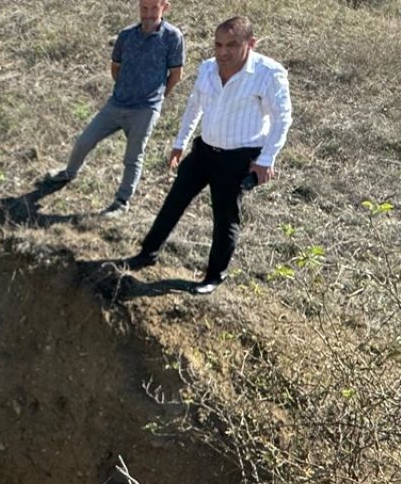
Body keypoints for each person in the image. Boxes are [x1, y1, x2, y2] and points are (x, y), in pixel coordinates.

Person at [122, 16, 292, 295]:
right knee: (174, 200)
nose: (223, 52)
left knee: (225, 219)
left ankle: (214, 276)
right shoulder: (207, 69)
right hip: (204, 150)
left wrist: (265, 160)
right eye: (218, 44)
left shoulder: (268, 74)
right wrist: (180, 143)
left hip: (237, 158)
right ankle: (148, 252)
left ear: (251, 43)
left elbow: (282, 119)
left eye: (232, 45)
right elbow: (194, 106)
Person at [51, 0, 184, 217]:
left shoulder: (173, 37)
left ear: (165, 7)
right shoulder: (126, 35)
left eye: (154, 8)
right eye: (144, 8)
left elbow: (176, 75)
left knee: (133, 157)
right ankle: (68, 173)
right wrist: (124, 88)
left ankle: (122, 202)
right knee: (84, 141)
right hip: (117, 103)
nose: (148, 13)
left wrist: (159, 97)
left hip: (146, 109)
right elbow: (116, 68)